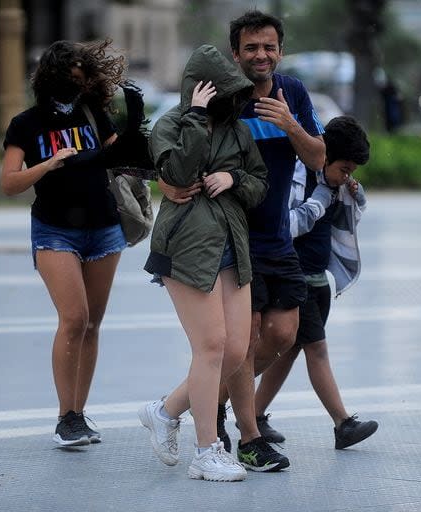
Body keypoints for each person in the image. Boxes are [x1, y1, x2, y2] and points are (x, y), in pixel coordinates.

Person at [159, 11, 326, 472]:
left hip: (277, 235)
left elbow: (318, 158)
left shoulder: (292, 93)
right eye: (251, 47)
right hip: (230, 237)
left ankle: (189, 401)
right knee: (239, 344)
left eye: (269, 46)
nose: (261, 55)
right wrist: (165, 184)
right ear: (236, 53)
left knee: (282, 335)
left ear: (280, 50)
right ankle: (247, 438)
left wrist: (292, 125)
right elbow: (176, 154)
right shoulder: (225, 99)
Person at [0, 39, 150, 447]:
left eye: (82, 78)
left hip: (104, 227)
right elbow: (9, 183)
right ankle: (65, 416)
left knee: (92, 324)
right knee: (74, 318)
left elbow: (126, 159)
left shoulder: (91, 113)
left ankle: (79, 415)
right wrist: (47, 165)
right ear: (49, 77)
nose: (76, 84)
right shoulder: (26, 124)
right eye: (70, 77)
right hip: (54, 229)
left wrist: (134, 123)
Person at [138, 44, 268, 482]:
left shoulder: (238, 132)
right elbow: (176, 174)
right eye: (217, 92)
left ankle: (166, 410)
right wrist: (194, 117)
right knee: (211, 347)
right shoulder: (170, 124)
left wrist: (234, 178)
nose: (227, 100)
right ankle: (206, 450)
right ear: (198, 89)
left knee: (234, 350)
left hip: (233, 243)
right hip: (187, 247)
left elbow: (259, 182)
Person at [253, 115, 379, 449]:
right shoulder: (298, 179)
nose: (347, 176)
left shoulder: (334, 184)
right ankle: (343, 424)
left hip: (317, 278)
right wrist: (323, 196)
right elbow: (287, 225)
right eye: (345, 169)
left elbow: (347, 221)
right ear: (324, 157)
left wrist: (352, 192)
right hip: (296, 279)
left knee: (288, 351)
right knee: (317, 350)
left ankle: (252, 415)